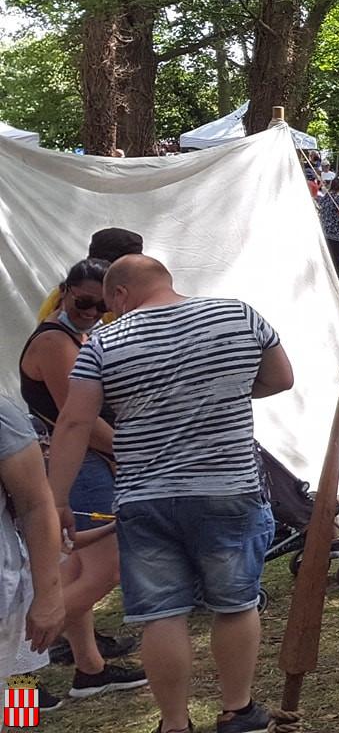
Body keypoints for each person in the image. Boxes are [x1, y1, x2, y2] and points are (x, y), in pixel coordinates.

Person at [47, 256, 294, 733]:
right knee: (235, 603)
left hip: (144, 494)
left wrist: (56, 498)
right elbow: (281, 378)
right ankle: (238, 709)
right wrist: (222, 394)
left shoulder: (103, 341)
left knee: (162, 614)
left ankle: (174, 723)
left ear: (119, 294)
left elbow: (75, 421)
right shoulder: (238, 315)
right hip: (228, 485)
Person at [19, 259, 148, 703]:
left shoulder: (76, 336)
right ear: (66, 291)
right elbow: (80, 420)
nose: (94, 311)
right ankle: (23, 652)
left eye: (102, 304)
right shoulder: (56, 342)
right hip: (79, 467)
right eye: (86, 302)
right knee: (98, 570)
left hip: (77, 469)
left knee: (71, 572)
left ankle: (87, 669)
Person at [0, 386, 68, 713]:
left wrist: (48, 594)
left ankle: (23, 715)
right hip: (21, 578)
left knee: (23, 662)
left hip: (18, 584)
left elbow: (36, 506)